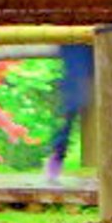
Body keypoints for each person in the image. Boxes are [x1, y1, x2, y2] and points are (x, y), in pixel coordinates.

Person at [44, 38, 93, 181]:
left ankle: (58, 153)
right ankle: (58, 153)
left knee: (76, 100)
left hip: (93, 37)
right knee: (73, 102)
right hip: (75, 39)